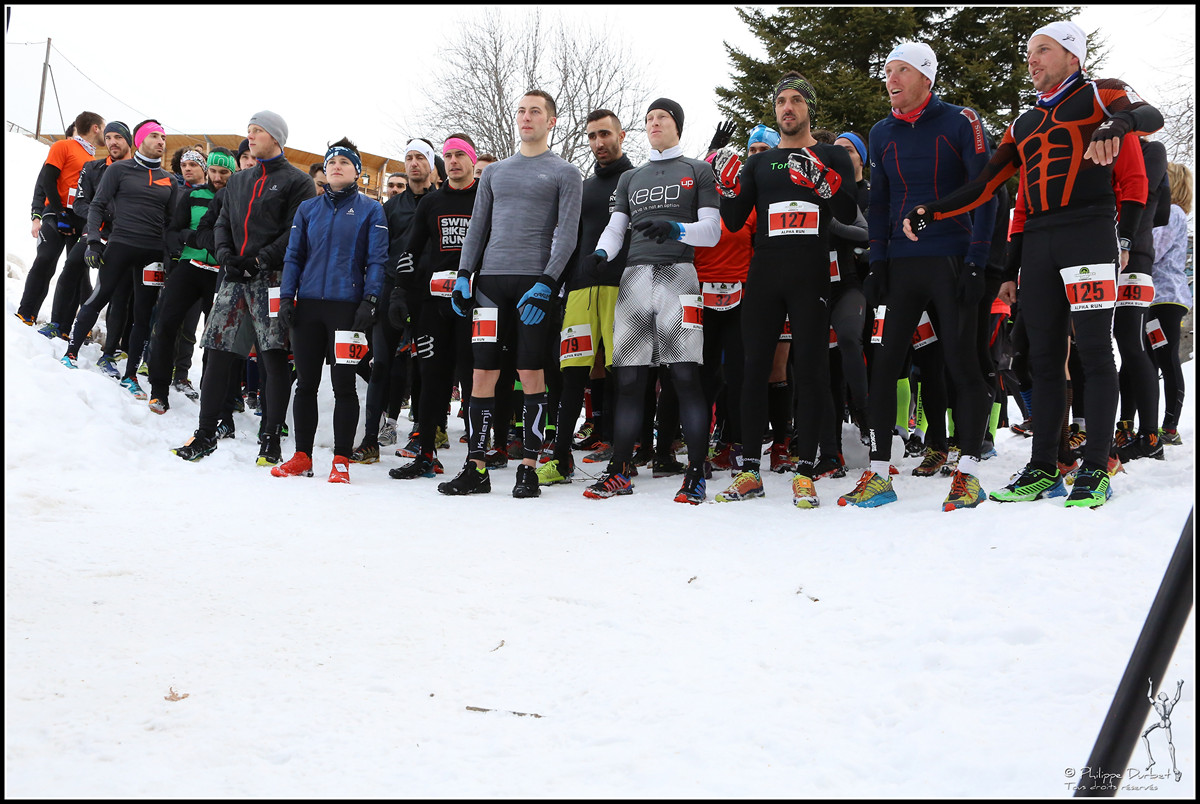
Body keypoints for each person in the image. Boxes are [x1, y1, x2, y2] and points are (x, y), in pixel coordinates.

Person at [902, 21, 1163, 508]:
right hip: (1040, 241)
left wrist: (1118, 124)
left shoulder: (1101, 94)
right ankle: (1043, 466)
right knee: (1041, 358)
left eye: (1043, 49)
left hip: (1089, 233)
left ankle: (1095, 467)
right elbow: (986, 185)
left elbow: (1151, 116)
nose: (1032, 59)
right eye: (1029, 52)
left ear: (1072, 56)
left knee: (1093, 351)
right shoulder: (1023, 123)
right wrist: (933, 211)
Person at [835, 42, 996, 512]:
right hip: (902, 265)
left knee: (962, 365)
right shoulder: (881, 131)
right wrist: (878, 262)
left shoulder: (961, 121)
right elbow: (881, 202)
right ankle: (879, 472)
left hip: (952, 258)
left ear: (926, 77)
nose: (891, 78)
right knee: (884, 366)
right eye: (888, 70)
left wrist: (977, 262)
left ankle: (968, 473)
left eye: (902, 70)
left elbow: (986, 191)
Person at [713, 74, 858, 508]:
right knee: (753, 369)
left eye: (796, 100)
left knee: (811, 371)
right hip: (765, 276)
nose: (788, 108)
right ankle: (749, 472)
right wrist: (726, 187)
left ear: (809, 107)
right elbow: (734, 220)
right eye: (781, 101)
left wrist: (823, 180)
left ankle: (806, 471)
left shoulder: (831, 154)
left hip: (810, 276)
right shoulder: (761, 163)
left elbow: (848, 209)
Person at [438, 89, 582, 498]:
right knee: (481, 374)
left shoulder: (565, 172)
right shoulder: (495, 173)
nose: (526, 117)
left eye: (535, 111)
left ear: (551, 121)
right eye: (521, 111)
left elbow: (568, 236)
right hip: (490, 286)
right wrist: (464, 274)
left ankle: (529, 468)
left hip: (533, 285)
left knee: (530, 372)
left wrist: (548, 283)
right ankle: (476, 467)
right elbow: (477, 228)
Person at [580, 97, 719, 504]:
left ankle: (695, 472)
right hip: (634, 277)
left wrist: (676, 229)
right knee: (628, 381)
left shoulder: (697, 169)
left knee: (685, 377)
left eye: (662, 117)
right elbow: (615, 227)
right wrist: (600, 254)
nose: (654, 123)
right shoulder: (631, 178)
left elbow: (712, 231)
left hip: (679, 276)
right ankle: (620, 469)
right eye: (649, 119)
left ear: (677, 125)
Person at [171, 110, 316, 462]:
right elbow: (221, 223)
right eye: (249, 130)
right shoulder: (238, 180)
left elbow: (295, 231)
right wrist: (225, 255)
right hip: (234, 277)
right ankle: (205, 433)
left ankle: (271, 438)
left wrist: (261, 259)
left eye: (257, 131)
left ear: (276, 137)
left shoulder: (298, 181)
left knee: (273, 358)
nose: (250, 136)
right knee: (217, 352)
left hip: (272, 279)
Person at [272, 138, 388, 482]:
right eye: (332, 162)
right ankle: (302, 456)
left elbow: (377, 260)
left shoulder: (371, 210)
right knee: (305, 384)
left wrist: (370, 300)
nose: (336, 166)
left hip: (346, 308)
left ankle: (341, 460)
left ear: (357, 172)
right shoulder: (308, 209)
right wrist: (287, 298)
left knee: (344, 385)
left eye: (344, 162)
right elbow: (294, 256)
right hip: (307, 307)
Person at [536, 109, 635, 486]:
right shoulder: (583, 187)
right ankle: (561, 458)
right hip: (579, 291)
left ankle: (623, 459)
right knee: (572, 374)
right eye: (592, 136)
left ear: (621, 136)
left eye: (605, 134)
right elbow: (570, 241)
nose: (598, 142)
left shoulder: (636, 180)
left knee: (622, 376)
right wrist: (555, 287)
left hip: (622, 288)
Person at [61, 119, 178, 404]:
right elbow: (97, 205)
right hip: (120, 244)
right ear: (139, 140)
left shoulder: (170, 180)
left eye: (163, 137)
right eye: (154, 136)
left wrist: (170, 257)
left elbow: (172, 223)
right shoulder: (119, 170)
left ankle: (131, 376)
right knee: (99, 297)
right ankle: (71, 353)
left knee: (142, 314)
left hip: (152, 254)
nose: (161, 141)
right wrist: (92, 241)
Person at [387, 133, 481, 479]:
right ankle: (426, 454)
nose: (454, 161)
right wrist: (399, 292)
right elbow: (410, 252)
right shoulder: (431, 203)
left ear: (471, 160)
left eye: (460, 155)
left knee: (473, 379)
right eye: (449, 155)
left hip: (474, 304)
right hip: (435, 304)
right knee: (430, 378)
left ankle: (477, 459)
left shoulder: (485, 199)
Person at [352, 138, 440, 463]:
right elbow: (377, 252)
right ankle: (370, 440)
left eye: (421, 157)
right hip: (392, 289)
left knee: (427, 367)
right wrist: (374, 294)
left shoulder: (441, 201)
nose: (414, 163)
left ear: (431, 164)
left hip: (430, 292)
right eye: (409, 158)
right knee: (381, 366)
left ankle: (422, 437)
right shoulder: (389, 208)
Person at [146, 149, 237, 412]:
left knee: (215, 338)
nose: (217, 177)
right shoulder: (192, 195)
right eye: (213, 171)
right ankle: (159, 391)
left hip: (220, 274)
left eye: (224, 173)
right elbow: (173, 231)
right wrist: (188, 243)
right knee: (166, 324)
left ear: (232, 174)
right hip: (190, 267)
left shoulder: (237, 199)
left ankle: (212, 397)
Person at [36, 121, 132, 343]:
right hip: (95, 231)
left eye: (118, 137)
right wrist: (100, 216)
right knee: (72, 267)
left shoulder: (138, 172)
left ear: (129, 141)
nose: (112, 142)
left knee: (122, 289)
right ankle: (59, 324)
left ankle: (117, 344)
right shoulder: (92, 168)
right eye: (108, 138)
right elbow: (79, 202)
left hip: (125, 237)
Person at [17, 111, 105, 326]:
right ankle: (26, 313)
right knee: (46, 259)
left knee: (78, 271)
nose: (105, 133)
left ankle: (69, 326)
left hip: (79, 218)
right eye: (104, 128)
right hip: (56, 213)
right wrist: (57, 213)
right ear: (95, 128)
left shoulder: (93, 160)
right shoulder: (62, 146)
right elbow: (47, 180)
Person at [1150, 162, 1192, 447]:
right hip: (1159, 297)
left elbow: (1154, 250)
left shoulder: (1172, 213)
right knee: (1154, 359)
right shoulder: (1171, 214)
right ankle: (1158, 423)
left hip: (1165, 297)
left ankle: (1170, 425)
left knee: (1166, 359)